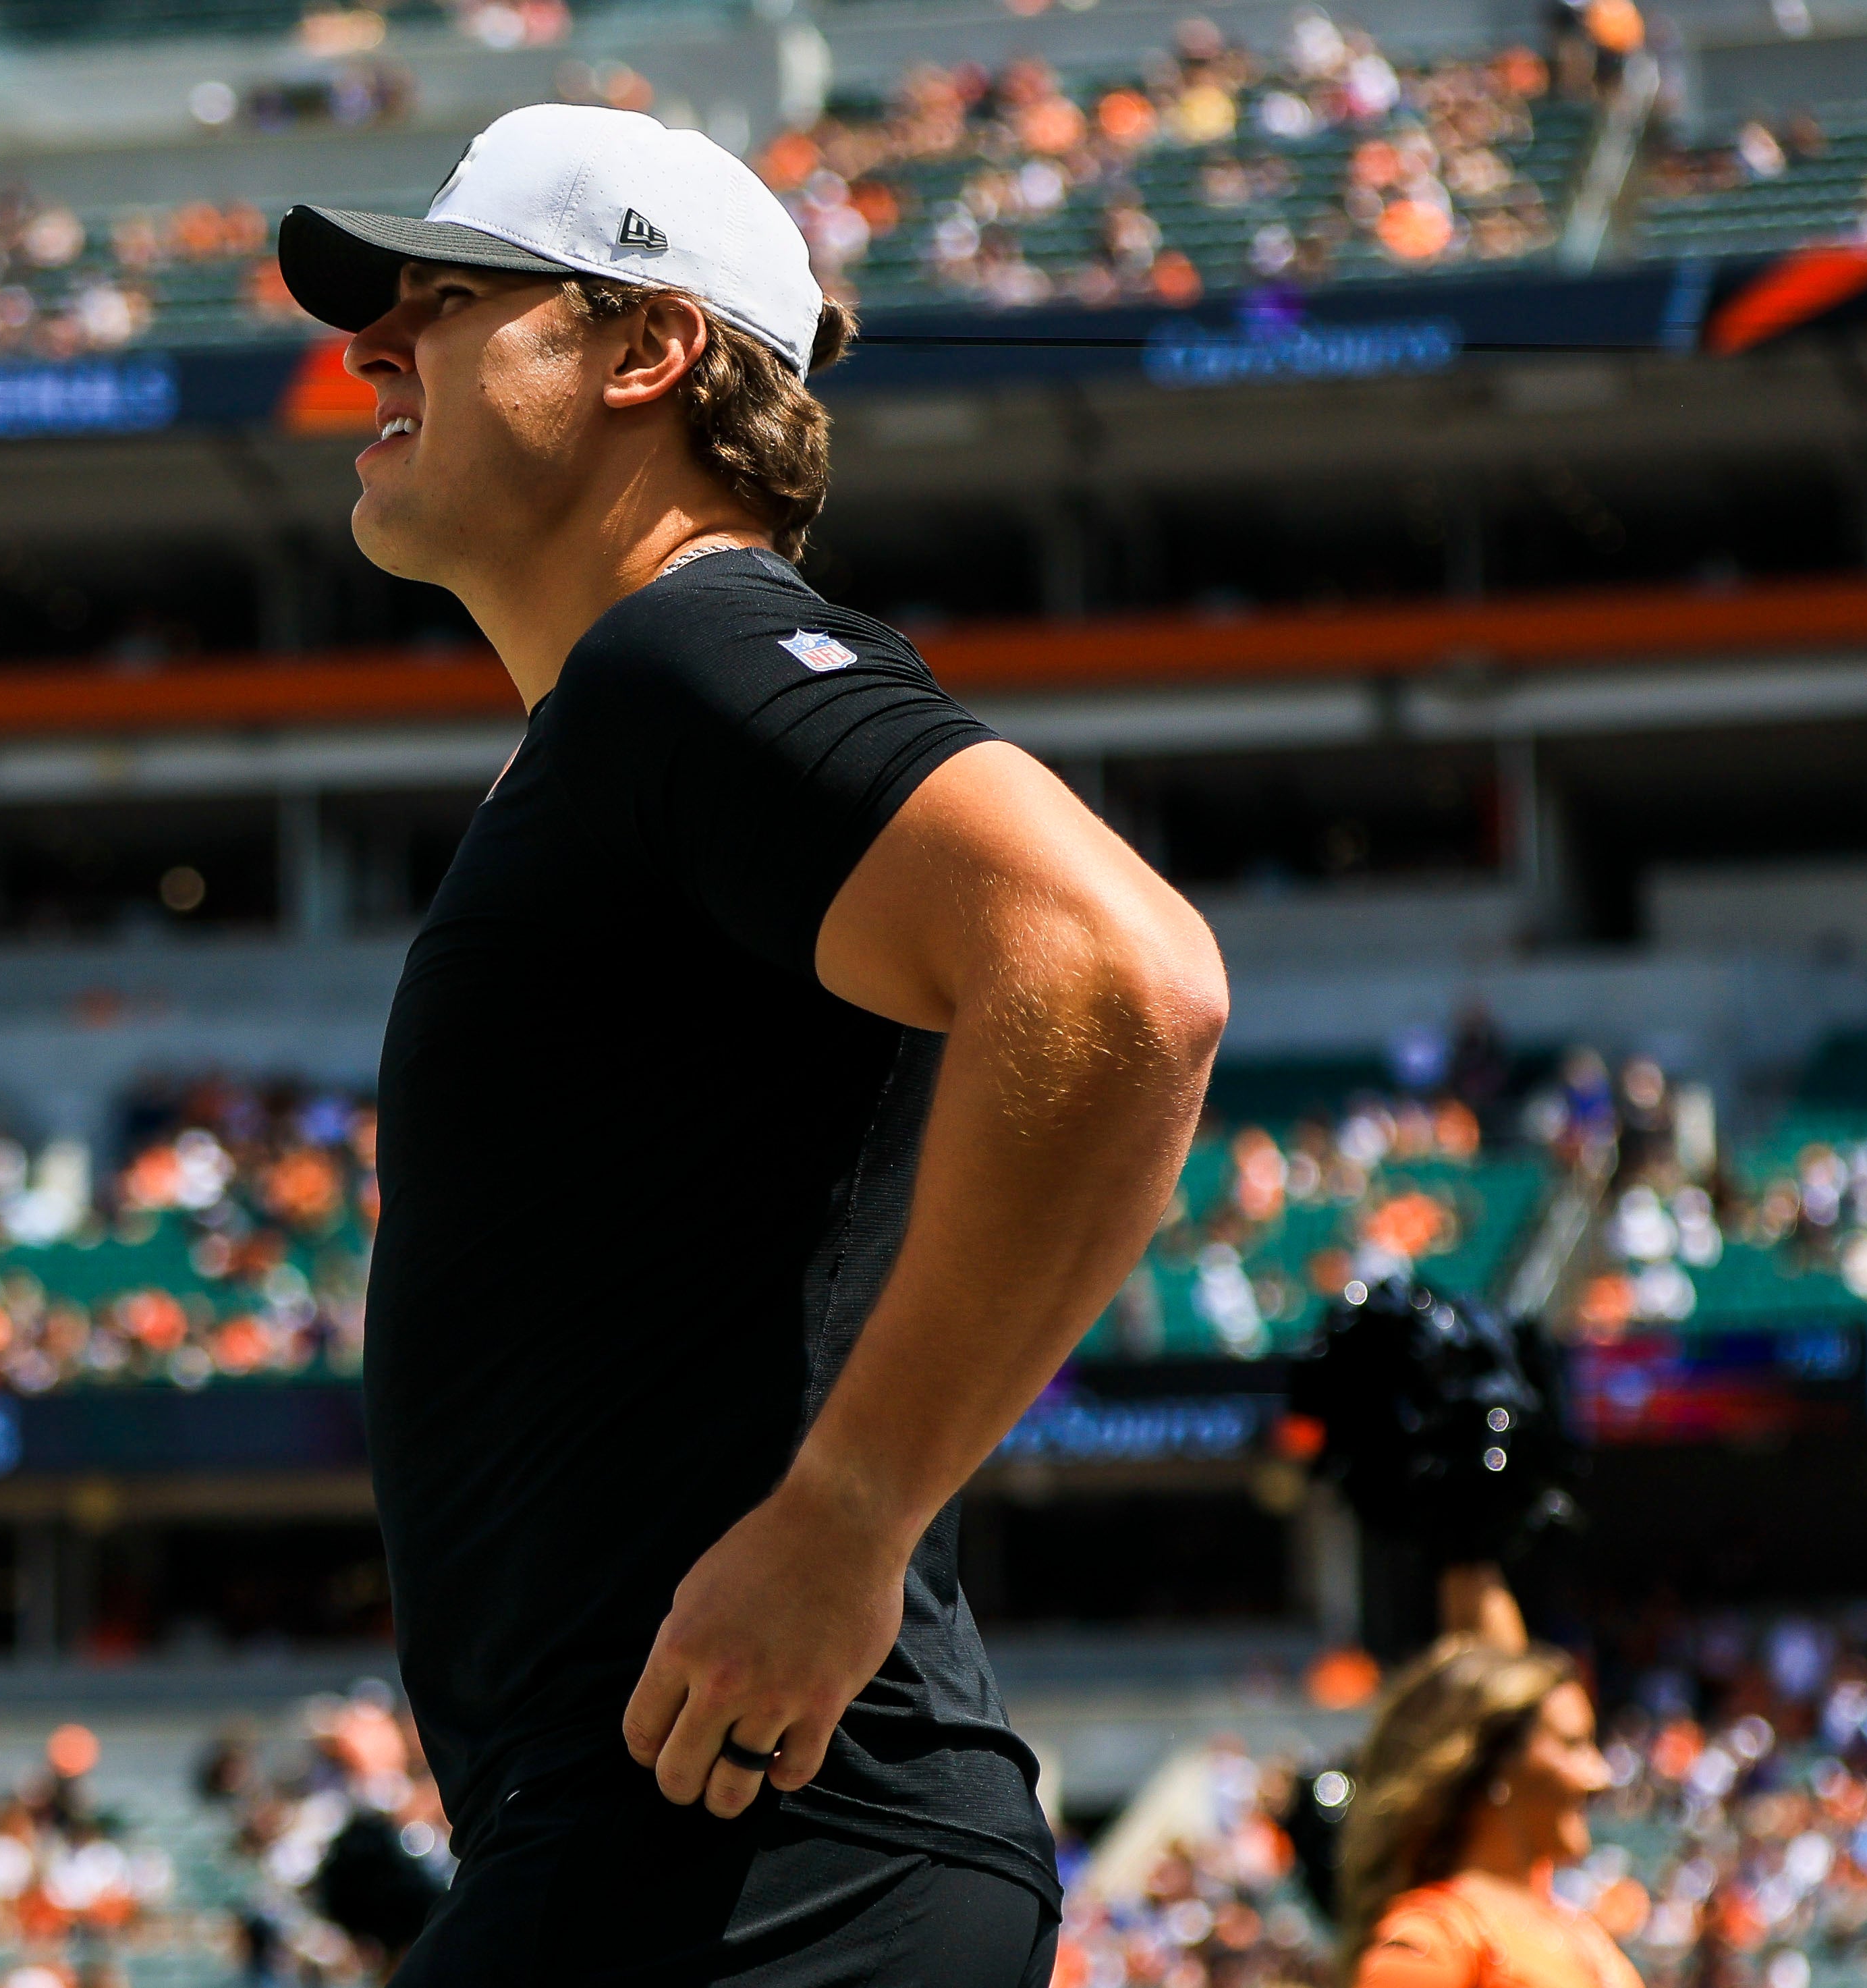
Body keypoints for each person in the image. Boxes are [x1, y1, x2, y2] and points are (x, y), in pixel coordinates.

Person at [274, 104, 1229, 1981]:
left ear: (648, 350)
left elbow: (1125, 980)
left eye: (450, 300)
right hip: (705, 1847)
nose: (370, 345)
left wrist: (848, 1512)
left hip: (751, 1858)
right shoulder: (633, 714)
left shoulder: (690, 655)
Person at [1340, 1629, 1637, 1988]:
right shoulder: (1435, 1941)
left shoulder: (1581, 1935)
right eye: (1573, 1745)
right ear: (1495, 1769)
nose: (1600, 1777)